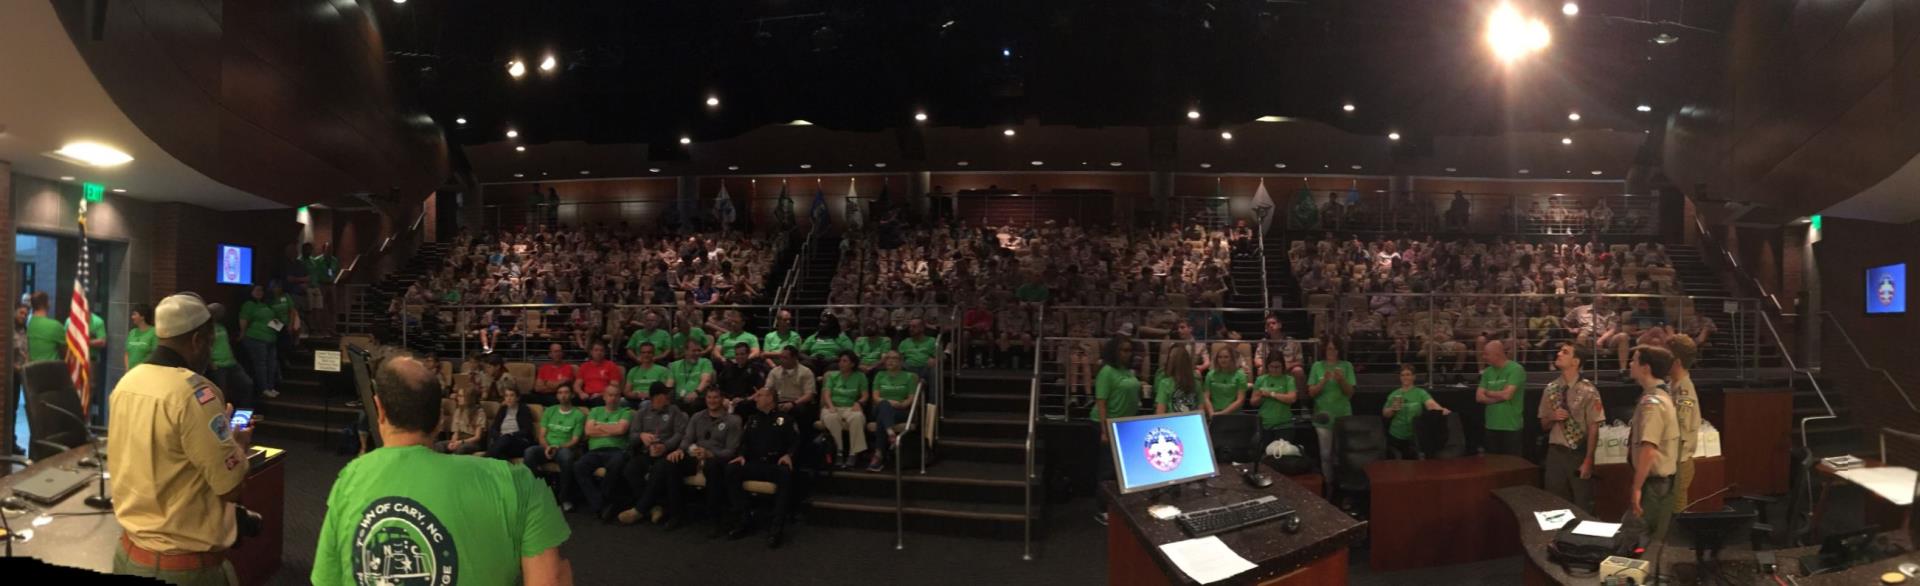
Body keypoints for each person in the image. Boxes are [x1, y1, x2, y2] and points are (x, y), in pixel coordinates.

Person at [312, 356, 572, 585]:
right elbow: (551, 578)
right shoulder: (521, 483)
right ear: (440, 419)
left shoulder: (349, 477)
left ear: (379, 409)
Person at [107, 293, 254, 585]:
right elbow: (231, 489)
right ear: (198, 340)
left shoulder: (126, 384)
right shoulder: (196, 394)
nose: (210, 350)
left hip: (128, 554)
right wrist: (237, 445)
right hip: (183, 569)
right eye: (210, 342)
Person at [724, 388, 802, 547]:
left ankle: (776, 528)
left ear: (769, 398)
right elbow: (744, 442)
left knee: (785, 474)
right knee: (731, 470)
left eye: (759, 396)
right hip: (754, 463)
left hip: (774, 464)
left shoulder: (785, 419)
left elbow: (796, 442)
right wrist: (741, 454)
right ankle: (744, 519)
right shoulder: (752, 419)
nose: (756, 399)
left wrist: (789, 455)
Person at [613, 383, 690, 527]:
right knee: (631, 468)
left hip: (667, 453)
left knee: (660, 468)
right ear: (655, 397)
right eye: (664, 395)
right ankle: (654, 506)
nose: (668, 397)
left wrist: (665, 446)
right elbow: (632, 436)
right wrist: (641, 436)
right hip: (647, 452)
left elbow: (681, 433)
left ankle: (640, 509)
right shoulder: (642, 413)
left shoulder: (674, 411)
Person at [1540, 343, 1603, 512]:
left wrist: (1589, 459)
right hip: (1555, 453)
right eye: (1560, 350)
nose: (1559, 353)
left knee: (1582, 503)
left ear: (1575, 362)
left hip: (1578, 453)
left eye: (1565, 352)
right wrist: (1552, 417)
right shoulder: (1551, 389)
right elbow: (1543, 425)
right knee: (1554, 504)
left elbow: (1593, 427)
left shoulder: (1589, 390)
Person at [1626, 345, 1680, 542]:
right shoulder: (1661, 395)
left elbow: (1648, 448)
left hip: (1653, 485)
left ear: (1645, 368)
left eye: (1634, 360)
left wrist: (1636, 488)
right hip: (1658, 483)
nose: (1630, 364)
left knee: (1639, 539)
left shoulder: (1653, 402)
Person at [679, 389, 743, 537]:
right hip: (696, 455)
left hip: (719, 459)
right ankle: (676, 513)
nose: (712, 401)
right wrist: (685, 450)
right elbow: (687, 439)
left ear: (722, 399)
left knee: (712, 466)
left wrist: (711, 454)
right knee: (671, 463)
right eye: (709, 397)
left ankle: (715, 520)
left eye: (716, 398)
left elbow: (731, 451)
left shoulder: (733, 421)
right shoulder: (697, 417)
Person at [523, 384, 586, 511]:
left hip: (565, 448)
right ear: (557, 396)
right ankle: (545, 488)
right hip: (547, 446)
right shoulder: (549, 411)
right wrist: (547, 447)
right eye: (560, 393)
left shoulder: (578, 415)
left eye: (566, 392)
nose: (563, 395)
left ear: (572, 395)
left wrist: (556, 447)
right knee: (529, 452)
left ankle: (564, 498)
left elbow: (575, 440)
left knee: (567, 457)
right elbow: (542, 435)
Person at [575, 387, 632, 517]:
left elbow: (621, 430)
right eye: (610, 395)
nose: (613, 398)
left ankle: (599, 504)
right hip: (595, 451)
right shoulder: (595, 411)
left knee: (616, 464)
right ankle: (601, 503)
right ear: (604, 397)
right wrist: (612, 429)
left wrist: (599, 426)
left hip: (616, 450)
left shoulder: (626, 411)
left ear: (620, 397)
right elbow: (589, 431)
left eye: (617, 395)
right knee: (578, 466)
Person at [1307, 341, 1355, 480]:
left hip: (1343, 415)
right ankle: (1328, 483)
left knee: (1341, 453)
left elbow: (1350, 393)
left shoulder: (1347, 366)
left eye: (1334, 349)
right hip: (1323, 415)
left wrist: (1341, 381)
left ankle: (1342, 482)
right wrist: (1323, 381)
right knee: (1325, 454)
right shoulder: (1317, 366)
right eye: (1329, 349)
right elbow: (1311, 392)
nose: (1332, 352)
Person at [1666, 335, 1703, 513]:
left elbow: (1679, 428)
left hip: (1678, 461)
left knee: (1676, 513)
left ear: (1677, 361)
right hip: (1669, 459)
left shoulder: (1684, 392)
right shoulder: (1671, 385)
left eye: (1667, 356)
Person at [1382, 364, 1448, 459]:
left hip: (1414, 436)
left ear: (1414, 377)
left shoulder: (1420, 393)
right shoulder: (1394, 394)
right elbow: (1385, 414)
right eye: (1403, 375)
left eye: (1408, 374)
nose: (1405, 377)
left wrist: (1441, 410)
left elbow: (1431, 405)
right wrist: (1392, 408)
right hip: (1396, 436)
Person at [868, 351, 919, 472]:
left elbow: (911, 399)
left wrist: (901, 404)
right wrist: (890, 402)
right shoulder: (880, 375)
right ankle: (891, 433)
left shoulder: (909, 376)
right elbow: (875, 398)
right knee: (884, 405)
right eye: (887, 358)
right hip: (881, 407)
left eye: (894, 358)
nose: (890, 361)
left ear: (901, 362)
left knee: (882, 417)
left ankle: (878, 454)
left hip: (901, 411)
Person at [819, 351, 871, 469]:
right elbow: (826, 394)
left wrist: (859, 402)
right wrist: (831, 406)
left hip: (850, 407)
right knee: (831, 417)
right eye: (840, 361)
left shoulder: (860, 376)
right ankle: (839, 451)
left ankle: (853, 453)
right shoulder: (832, 376)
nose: (841, 363)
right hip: (832, 406)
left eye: (844, 361)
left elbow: (865, 395)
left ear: (852, 364)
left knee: (857, 417)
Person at [1475, 340, 1527, 456]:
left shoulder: (1516, 369)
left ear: (1497, 354)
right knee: (1492, 464)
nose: (1484, 357)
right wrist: (1499, 396)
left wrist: (1488, 392)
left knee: (1512, 465)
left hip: (1511, 426)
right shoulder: (1487, 372)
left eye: (1486, 354)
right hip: (1491, 425)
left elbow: (1507, 394)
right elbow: (1478, 397)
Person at [204, 304, 255, 411]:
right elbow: (205, 348)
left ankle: (243, 414)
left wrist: (233, 357)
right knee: (220, 393)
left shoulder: (221, 326)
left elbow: (226, 344)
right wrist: (211, 364)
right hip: (218, 365)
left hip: (231, 363)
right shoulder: (206, 329)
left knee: (247, 384)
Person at [238, 284, 283, 399]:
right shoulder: (248, 305)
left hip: (271, 338)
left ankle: (271, 387)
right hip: (256, 338)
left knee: (271, 364)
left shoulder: (265, 305)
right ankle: (264, 388)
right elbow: (244, 319)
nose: (260, 292)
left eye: (261, 290)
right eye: (257, 290)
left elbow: (272, 319)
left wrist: (282, 329)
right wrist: (242, 333)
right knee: (261, 365)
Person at [1249, 355, 1299, 445]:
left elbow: (1292, 398)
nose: (1274, 369)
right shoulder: (1260, 380)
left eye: (1277, 367)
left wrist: (1271, 394)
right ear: (1267, 367)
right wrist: (1260, 396)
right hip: (1265, 425)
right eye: (1272, 367)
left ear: (1282, 366)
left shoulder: (1288, 379)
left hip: (1284, 425)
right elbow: (1253, 402)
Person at [486, 389, 538, 460]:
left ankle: (485, 459)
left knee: (505, 438)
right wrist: (499, 436)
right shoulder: (503, 409)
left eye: (512, 395)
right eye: (506, 396)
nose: (509, 398)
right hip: (502, 442)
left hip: (519, 442)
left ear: (517, 398)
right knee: (501, 454)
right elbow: (494, 428)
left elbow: (526, 430)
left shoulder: (524, 409)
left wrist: (511, 435)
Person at [668, 340, 716, 412]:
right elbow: (669, 385)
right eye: (693, 351)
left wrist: (696, 393)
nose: (697, 353)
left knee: (695, 405)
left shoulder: (705, 362)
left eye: (699, 350)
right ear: (685, 351)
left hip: (698, 398)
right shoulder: (674, 365)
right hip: (679, 400)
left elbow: (706, 380)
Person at [435, 388, 488, 454]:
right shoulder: (458, 411)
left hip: (472, 442)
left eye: (461, 396)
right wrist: (453, 442)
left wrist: (460, 442)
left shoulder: (479, 413)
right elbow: (456, 433)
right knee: (439, 445)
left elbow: (477, 437)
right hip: (459, 439)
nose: (458, 398)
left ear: (469, 398)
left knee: (460, 449)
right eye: (458, 396)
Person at [1153, 346, 1203, 414]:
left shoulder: (1165, 383)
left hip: (1172, 423)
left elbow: (1160, 412)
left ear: (1172, 362)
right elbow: (1201, 411)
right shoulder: (1197, 383)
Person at [1202, 346, 1248, 417]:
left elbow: (1240, 400)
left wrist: (1222, 413)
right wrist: (1211, 413)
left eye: (1226, 357)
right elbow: (1206, 397)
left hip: (1233, 415)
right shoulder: (1210, 374)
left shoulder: (1240, 375)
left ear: (1232, 359)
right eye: (1220, 357)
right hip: (1214, 413)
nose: (1223, 360)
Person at [623, 343, 672, 408]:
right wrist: (637, 395)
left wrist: (648, 395)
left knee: (644, 404)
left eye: (649, 352)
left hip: (651, 400)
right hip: (634, 399)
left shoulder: (662, 370)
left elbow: (662, 392)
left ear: (653, 354)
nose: (646, 355)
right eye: (643, 352)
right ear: (640, 354)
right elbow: (626, 392)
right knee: (621, 401)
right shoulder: (633, 371)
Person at [125, 303, 158, 369]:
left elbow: (155, 355)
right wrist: (127, 369)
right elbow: (127, 353)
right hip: (131, 373)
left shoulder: (154, 332)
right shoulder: (132, 332)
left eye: (134, 314)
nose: (132, 317)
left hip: (145, 372)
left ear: (142, 316)